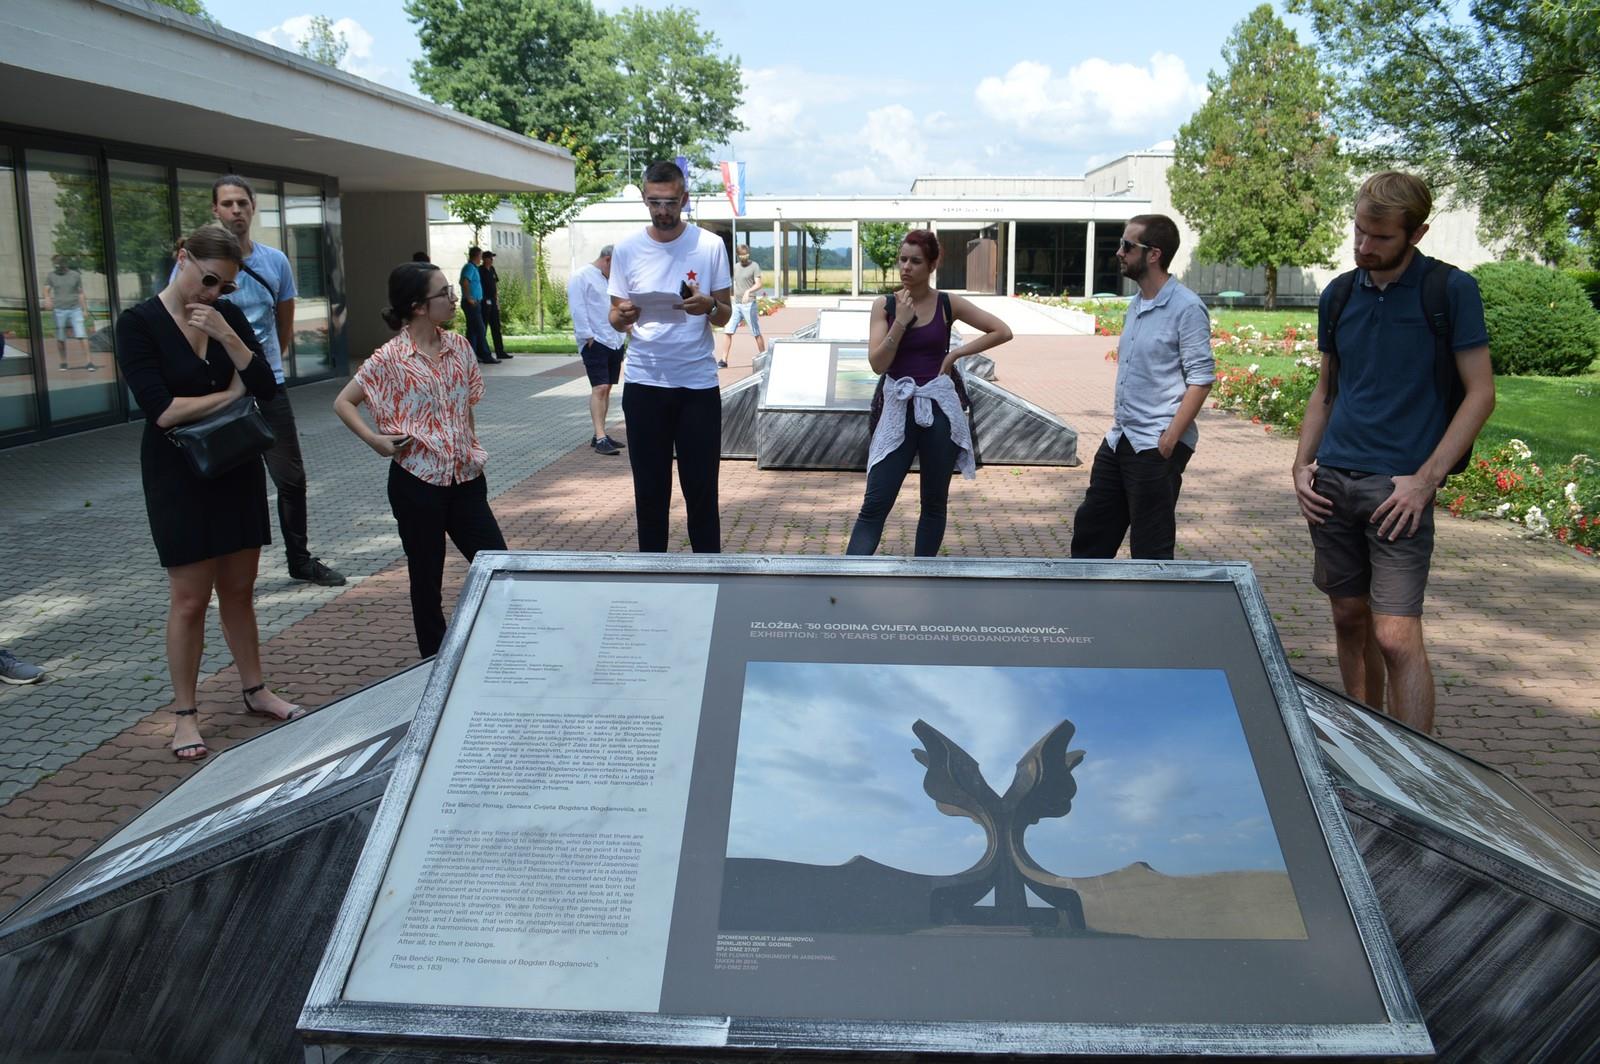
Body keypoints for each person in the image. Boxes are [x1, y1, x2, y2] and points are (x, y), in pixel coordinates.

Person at [1293, 172, 1494, 734]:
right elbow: (1326, 390)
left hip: (1400, 489)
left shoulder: (1449, 291)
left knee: (1396, 634)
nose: (1364, 246)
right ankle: (1367, 743)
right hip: (1332, 482)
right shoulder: (1339, 295)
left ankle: (1420, 768)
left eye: (1380, 237)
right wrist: (1301, 465)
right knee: (1348, 617)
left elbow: (1481, 394)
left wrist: (1425, 480)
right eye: (1359, 231)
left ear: (1417, 233)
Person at [116, 226, 304, 761]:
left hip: (235, 464)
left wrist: (228, 336)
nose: (214, 292)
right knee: (190, 599)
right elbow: (163, 411)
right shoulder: (138, 324)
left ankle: (255, 690)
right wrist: (228, 394)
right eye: (209, 280)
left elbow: (265, 387)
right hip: (178, 475)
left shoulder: (227, 316)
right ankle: (185, 715)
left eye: (226, 285)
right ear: (183, 258)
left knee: (240, 590)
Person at [333, 262, 508, 658]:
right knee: (426, 580)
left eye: (450, 290)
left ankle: (498, 649)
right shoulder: (389, 358)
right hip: (417, 484)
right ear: (417, 306)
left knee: (499, 567)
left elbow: (466, 405)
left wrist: (470, 447)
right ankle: (434, 661)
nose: (453, 298)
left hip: (465, 481)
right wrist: (375, 440)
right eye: (443, 293)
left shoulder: (460, 347)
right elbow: (343, 402)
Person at [207, 175, 346, 587]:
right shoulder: (201, 264)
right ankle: (227, 568)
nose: (236, 210)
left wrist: (266, 369)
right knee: (227, 480)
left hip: (267, 387)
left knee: (291, 478)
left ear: (253, 207)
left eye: (242, 203)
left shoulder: (275, 262)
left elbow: (283, 323)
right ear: (215, 210)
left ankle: (299, 560)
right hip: (218, 392)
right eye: (227, 203)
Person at [845, 230, 1012, 557]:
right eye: (903, 259)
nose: (906, 267)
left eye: (916, 261)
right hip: (897, 409)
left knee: (934, 504)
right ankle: (848, 576)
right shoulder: (885, 305)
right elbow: (878, 365)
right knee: (875, 503)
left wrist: (955, 354)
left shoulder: (947, 303)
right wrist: (900, 323)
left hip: (938, 411)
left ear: (932, 265)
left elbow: (1002, 331)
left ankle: (924, 574)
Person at [1070, 214, 1213, 561]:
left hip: (1155, 444)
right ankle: (1082, 596)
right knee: (1091, 534)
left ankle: (1152, 600)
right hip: (1121, 437)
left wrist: (1170, 440)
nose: (1119, 252)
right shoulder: (1136, 304)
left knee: (1151, 550)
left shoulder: (1187, 308)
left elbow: (1201, 378)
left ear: (1153, 254)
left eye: (1127, 245)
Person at [608, 161, 733, 553]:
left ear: (685, 199)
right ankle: (652, 575)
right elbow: (615, 316)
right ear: (645, 199)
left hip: (697, 385)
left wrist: (709, 306)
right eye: (654, 202)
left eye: (670, 202)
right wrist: (623, 316)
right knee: (650, 493)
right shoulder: (627, 249)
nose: (662, 211)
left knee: (702, 491)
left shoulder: (709, 245)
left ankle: (709, 573)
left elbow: (725, 314)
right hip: (645, 382)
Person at [568, 245, 628, 455]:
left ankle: (599, 433)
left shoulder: (612, 279)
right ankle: (601, 437)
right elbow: (577, 308)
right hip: (595, 341)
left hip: (614, 339)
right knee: (599, 387)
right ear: (607, 259)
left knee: (607, 387)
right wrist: (587, 336)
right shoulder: (581, 276)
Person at [43, 255, 97, 372]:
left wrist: (84, 309)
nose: (57, 268)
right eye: (55, 265)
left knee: (82, 334)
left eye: (59, 265)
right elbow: (46, 289)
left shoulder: (75, 275)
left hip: (75, 309)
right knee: (60, 337)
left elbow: (80, 293)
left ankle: (89, 362)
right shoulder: (51, 275)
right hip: (59, 309)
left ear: (64, 264)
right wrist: (47, 299)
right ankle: (63, 362)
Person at [718, 243, 765, 368]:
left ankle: (764, 357)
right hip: (736, 304)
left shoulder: (754, 266)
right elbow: (733, 283)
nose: (744, 257)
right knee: (728, 330)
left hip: (749, 304)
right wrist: (730, 296)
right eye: (741, 255)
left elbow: (759, 284)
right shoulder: (736, 267)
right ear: (738, 255)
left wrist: (748, 291)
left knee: (755, 332)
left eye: (745, 255)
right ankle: (723, 360)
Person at [459, 246, 497, 364]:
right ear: (477, 255)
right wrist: (469, 297)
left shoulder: (473, 268)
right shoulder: (469, 267)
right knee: (480, 329)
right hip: (472, 303)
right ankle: (486, 355)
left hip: (476, 302)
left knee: (472, 330)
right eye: (480, 255)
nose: (481, 258)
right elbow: (464, 282)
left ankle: (471, 356)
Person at [479, 251, 512, 360]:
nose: (492, 260)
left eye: (492, 258)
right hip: (484, 301)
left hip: (493, 301)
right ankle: (482, 352)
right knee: (483, 327)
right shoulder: (480, 270)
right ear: (485, 259)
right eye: (490, 258)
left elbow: (495, 285)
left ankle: (500, 351)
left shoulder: (492, 269)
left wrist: (497, 301)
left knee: (496, 327)